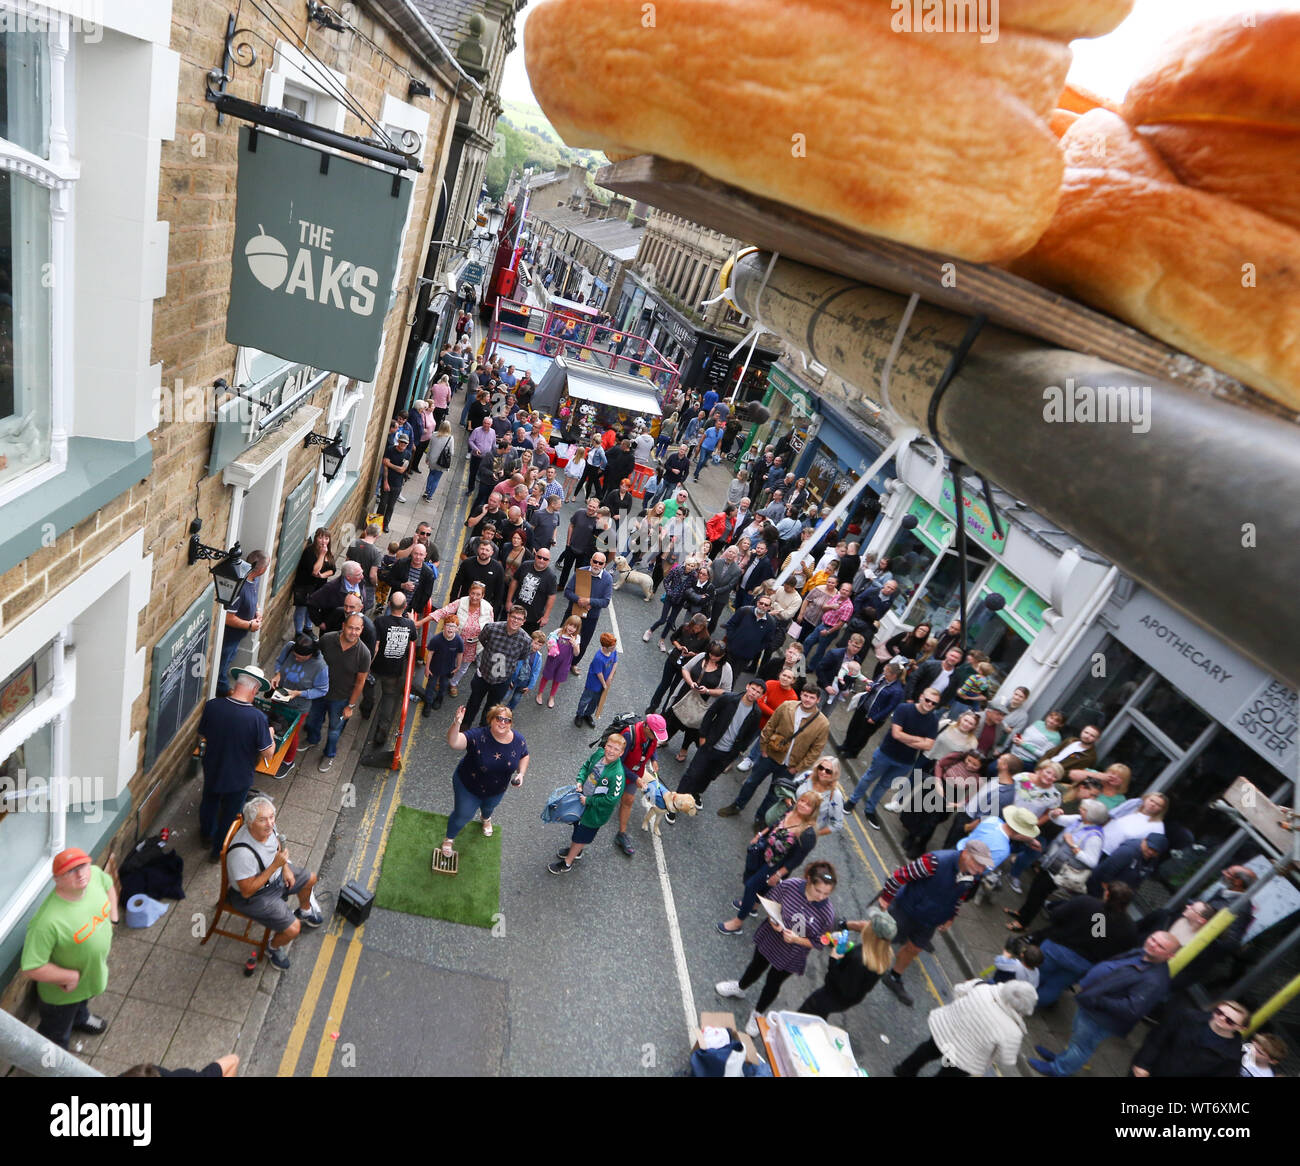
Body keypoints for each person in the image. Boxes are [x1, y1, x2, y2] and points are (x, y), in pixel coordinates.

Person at [1029, 931, 1182, 1076]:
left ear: (1170, 955)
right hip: (1092, 1006)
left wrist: (1097, 999)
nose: (1153, 944)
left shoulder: (1155, 981)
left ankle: (1058, 1070)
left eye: (1160, 946)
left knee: (1082, 1047)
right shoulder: (1142, 953)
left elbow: (1131, 1009)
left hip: (1100, 1018)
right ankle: (1061, 1058)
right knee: (1077, 1038)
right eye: (1153, 939)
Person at [714, 861, 841, 1036]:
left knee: (773, 983)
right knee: (756, 966)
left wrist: (797, 939)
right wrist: (774, 921)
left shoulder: (827, 914)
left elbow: (820, 942)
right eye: (818, 891)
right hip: (771, 939)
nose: (821, 897)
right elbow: (771, 902)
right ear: (809, 880)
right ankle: (740, 987)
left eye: (826, 893)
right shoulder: (791, 886)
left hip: (792, 953)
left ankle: (758, 1013)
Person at [21, 848, 120, 1049]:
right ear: (57, 880)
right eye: (70, 871)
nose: (81, 874)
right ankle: (53, 1063)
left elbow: (109, 885)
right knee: (56, 1035)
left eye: (83, 865)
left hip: (91, 976)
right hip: (62, 995)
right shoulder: (46, 922)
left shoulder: (95, 876)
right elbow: (31, 966)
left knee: (82, 1002)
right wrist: (68, 977)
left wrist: (114, 919)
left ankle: (80, 1018)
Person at [876, 842, 995, 1008]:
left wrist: (951, 917)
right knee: (881, 935)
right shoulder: (935, 861)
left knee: (915, 948)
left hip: (930, 920)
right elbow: (901, 875)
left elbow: (960, 896)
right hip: (907, 909)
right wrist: (886, 897)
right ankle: (848, 928)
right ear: (966, 853)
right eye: (978, 863)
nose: (981, 870)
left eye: (983, 866)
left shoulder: (972, 875)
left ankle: (894, 976)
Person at [223, 795, 322, 971]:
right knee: (293, 929)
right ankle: (273, 947)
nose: (270, 824)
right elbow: (246, 892)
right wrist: (275, 865)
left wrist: (285, 869)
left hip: (276, 878)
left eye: (271, 817)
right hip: (254, 896)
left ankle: (305, 910)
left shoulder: (269, 828)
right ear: (250, 823)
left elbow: (277, 845)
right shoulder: (242, 854)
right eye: (263, 820)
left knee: (310, 878)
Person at [197, 666, 275, 861]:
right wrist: (271, 735)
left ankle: (206, 835)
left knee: (209, 802)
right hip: (239, 775)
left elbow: (202, 733)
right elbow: (268, 753)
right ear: (254, 690)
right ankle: (217, 851)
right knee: (230, 814)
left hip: (213, 767)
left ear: (237, 684)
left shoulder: (213, 705)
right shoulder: (258, 718)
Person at [721, 686, 830, 826]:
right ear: (801, 695)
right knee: (751, 782)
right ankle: (737, 806)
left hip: (789, 766)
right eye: (805, 695)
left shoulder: (822, 723)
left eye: (812, 697)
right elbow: (770, 726)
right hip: (770, 756)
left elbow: (816, 750)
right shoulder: (786, 707)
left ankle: (760, 819)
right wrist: (764, 749)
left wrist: (797, 768)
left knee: (774, 794)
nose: (807, 700)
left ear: (818, 700)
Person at [718, 791, 823, 935]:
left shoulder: (808, 833)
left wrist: (778, 874)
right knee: (752, 878)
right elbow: (775, 824)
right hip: (765, 851)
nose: (802, 805)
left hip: (776, 865)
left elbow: (796, 860)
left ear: (814, 810)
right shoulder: (792, 810)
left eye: (808, 805)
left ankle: (737, 923)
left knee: (750, 886)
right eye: (802, 801)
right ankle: (753, 907)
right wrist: (760, 835)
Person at [893, 979, 1037, 1077]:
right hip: (967, 1057)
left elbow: (958, 990)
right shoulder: (1013, 1031)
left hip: (947, 1030)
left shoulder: (983, 987)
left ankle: (903, 1070)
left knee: (927, 1051)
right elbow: (1006, 1058)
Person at [1005, 798, 1109, 930]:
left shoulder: (1095, 837)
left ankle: (1023, 923)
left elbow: (1092, 862)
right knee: (1034, 890)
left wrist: (1073, 846)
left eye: (1084, 809)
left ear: (1091, 815)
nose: (1080, 810)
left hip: (1061, 871)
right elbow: (1057, 820)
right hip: (1052, 863)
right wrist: (1054, 814)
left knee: (1038, 894)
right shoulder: (1079, 819)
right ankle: (1021, 913)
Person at [844, 687, 942, 828]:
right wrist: (919, 740)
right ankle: (852, 801)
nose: (929, 704)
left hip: (906, 762)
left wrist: (907, 738)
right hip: (886, 753)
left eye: (934, 703)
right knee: (869, 778)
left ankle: (870, 809)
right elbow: (896, 734)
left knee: (884, 785)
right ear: (921, 697)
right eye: (927, 700)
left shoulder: (933, 721)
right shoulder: (904, 709)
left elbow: (928, 746)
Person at [442, 703, 529, 857]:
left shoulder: (518, 740)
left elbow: (524, 755)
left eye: (507, 720)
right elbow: (454, 742)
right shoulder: (477, 736)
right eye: (499, 718)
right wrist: (457, 723)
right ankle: (449, 838)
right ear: (491, 719)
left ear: (511, 723)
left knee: (489, 807)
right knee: (463, 815)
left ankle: (486, 818)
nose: (503, 722)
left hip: (497, 789)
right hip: (468, 786)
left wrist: (521, 773)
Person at [676, 680, 766, 809]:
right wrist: (702, 736)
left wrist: (737, 752)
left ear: (761, 696)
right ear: (747, 686)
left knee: (709, 776)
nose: (754, 693)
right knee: (692, 774)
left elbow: (749, 735)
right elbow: (710, 714)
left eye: (758, 692)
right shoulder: (728, 699)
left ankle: (696, 793)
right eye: (753, 689)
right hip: (710, 744)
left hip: (726, 752)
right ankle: (677, 799)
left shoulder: (756, 713)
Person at [797, 908, 896, 1020]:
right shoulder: (885, 954)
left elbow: (838, 983)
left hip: (830, 996)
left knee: (803, 1015)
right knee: (817, 1017)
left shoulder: (859, 959)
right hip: (844, 1002)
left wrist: (833, 960)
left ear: (871, 933)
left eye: (870, 923)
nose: (866, 923)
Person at [549, 733, 627, 873]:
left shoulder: (618, 774)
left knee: (581, 836)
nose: (611, 751)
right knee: (578, 830)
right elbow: (586, 766)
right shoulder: (598, 754)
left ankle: (567, 863)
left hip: (594, 814)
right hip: (582, 802)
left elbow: (612, 800)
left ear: (621, 753)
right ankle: (576, 851)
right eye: (609, 746)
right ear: (605, 745)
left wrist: (589, 801)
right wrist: (580, 780)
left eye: (616, 749)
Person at [303, 614, 370, 774]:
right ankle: (312, 739)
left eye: (357, 629)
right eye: (350, 627)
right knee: (312, 720)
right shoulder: (327, 639)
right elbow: (312, 658)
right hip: (318, 693)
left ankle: (329, 754)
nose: (353, 632)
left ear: (362, 630)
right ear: (343, 626)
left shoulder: (364, 654)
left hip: (340, 699)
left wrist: (351, 706)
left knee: (334, 730)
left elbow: (360, 682)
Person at [269, 632, 330, 772]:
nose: (296, 659)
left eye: (300, 658)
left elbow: (322, 690)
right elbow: (279, 661)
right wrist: (278, 673)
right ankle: (273, 750)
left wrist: (299, 693)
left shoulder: (321, 667)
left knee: (290, 734)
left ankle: (288, 762)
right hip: (279, 697)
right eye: (295, 656)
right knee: (273, 726)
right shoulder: (290, 647)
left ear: (311, 655)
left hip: (298, 706)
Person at [369, 592, 422, 750]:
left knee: (369, 686)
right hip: (394, 670)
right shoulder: (409, 625)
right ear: (405, 606)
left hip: (377, 666)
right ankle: (382, 732)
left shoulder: (379, 621)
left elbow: (375, 645)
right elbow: (414, 638)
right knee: (389, 698)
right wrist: (412, 621)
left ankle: (366, 708)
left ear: (389, 605)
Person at [463, 606, 533, 726]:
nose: (515, 621)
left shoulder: (526, 640)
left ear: (523, 621)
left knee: (492, 708)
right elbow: (482, 639)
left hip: (502, 681)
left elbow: (521, 656)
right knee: (473, 702)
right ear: (508, 616)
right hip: (483, 675)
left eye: (519, 619)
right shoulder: (491, 628)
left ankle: (482, 730)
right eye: (513, 617)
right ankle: (465, 726)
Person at [612, 713, 671, 856]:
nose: (657, 739)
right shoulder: (628, 735)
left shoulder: (651, 737)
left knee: (629, 801)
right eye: (655, 735)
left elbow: (653, 748)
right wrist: (635, 778)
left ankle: (621, 834)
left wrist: (654, 759)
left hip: (633, 774)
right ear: (646, 727)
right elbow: (617, 761)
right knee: (605, 800)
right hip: (617, 773)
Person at [215, 550, 268, 696]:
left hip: (238, 636)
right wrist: (250, 625)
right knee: (222, 664)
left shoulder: (254, 579)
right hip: (229, 636)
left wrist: (257, 610)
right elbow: (228, 618)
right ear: (262, 569)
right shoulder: (240, 587)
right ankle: (223, 691)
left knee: (230, 658)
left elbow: (254, 596)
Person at [430, 580, 493, 696]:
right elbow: (443, 612)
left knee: (463, 667)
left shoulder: (488, 608)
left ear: (483, 596)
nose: (474, 597)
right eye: (473, 593)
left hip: (473, 646)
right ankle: (440, 680)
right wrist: (421, 622)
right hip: (454, 642)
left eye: (478, 594)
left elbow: (491, 627)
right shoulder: (461, 602)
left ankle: (454, 683)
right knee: (447, 661)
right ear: (469, 592)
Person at [838, 662, 906, 757]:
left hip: (873, 716)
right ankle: (845, 745)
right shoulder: (882, 677)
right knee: (853, 727)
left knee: (862, 735)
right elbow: (874, 683)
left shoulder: (897, 691)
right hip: (864, 707)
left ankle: (853, 752)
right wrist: (870, 686)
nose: (884, 673)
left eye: (886, 672)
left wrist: (875, 718)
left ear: (894, 675)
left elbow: (890, 707)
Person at [564, 551, 614, 663]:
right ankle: (559, 659)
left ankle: (573, 664)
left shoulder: (608, 579)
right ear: (591, 561)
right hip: (573, 613)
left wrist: (589, 601)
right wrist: (578, 600)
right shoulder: (581, 571)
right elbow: (567, 591)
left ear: (605, 565)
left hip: (591, 617)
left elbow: (606, 602)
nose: (597, 565)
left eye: (600, 563)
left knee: (583, 642)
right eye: (595, 561)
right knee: (564, 636)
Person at [1087, 832, 1169, 897]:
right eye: (1150, 847)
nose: (1151, 852)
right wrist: (1107, 894)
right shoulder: (1128, 851)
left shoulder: (1153, 860)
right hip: (1098, 889)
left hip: (1116, 894)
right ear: (1144, 840)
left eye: (1155, 851)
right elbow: (1106, 872)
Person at [291, 527, 335, 634]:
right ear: (316, 538)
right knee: (301, 610)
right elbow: (315, 571)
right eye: (320, 537)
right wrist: (322, 555)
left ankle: (308, 629)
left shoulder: (328, 553)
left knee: (312, 609)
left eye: (326, 538)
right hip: (305, 586)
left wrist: (323, 576)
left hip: (318, 587)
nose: (323, 541)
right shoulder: (309, 551)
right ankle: (298, 633)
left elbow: (333, 569)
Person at [574, 631, 619, 728]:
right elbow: (599, 673)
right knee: (585, 700)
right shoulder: (599, 658)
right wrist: (604, 684)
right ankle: (579, 715)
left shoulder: (613, 651)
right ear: (605, 647)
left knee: (595, 701)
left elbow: (615, 662)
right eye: (612, 647)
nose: (614, 648)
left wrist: (610, 677)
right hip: (593, 683)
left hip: (605, 682)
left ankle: (587, 714)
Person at [421, 615, 464, 713]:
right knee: (431, 685)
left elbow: (460, 654)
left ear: (457, 629)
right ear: (444, 626)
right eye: (448, 625)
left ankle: (439, 699)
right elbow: (430, 653)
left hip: (448, 669)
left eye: (453, 626)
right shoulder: (436, 639)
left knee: (444, 685)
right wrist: (427, 668)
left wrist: (458, 666)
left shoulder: (459, 641)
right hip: (434, 668)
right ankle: (428, 702)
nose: (450, 628)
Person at [538, 615, 583, 707]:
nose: (571, 628)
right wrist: (549, 646)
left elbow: (576, 653)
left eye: (574, 627)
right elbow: (550, 644)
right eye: (570, 625)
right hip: (553, 659)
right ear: (566, 624)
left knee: (557, 679)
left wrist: (574, 645)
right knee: (546, 676)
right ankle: (540, 693)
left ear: (577, 629)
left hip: (565, 663)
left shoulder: (576, 638)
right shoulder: (558, 632)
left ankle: (551, 697)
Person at [506, 631, 549, 710]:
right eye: (535, 643)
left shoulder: (538, 657)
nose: (537, 647)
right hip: (513, 678)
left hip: (524, 682)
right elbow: (511, 663)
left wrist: (530, 686)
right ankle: (496, 710)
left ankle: (509, 710)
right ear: (530, 640)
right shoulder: (521, 649)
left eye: (540, 645)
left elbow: (536, 673)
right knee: (504, 695)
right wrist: (508, 678)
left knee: (516, 698)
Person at [378, 431, 410, 533]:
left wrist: (390, 464)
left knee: (391, 506)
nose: (403, 445)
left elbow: (402, 470)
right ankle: (377, 523)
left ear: (407, 444)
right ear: (398, 441)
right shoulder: (390, 450)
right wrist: (385, 482)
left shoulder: (407, 454)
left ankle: (386, 524)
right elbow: (385, 465)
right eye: (401, 442)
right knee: (383, 504)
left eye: (405, 443)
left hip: (397, 484)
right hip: (387, 481)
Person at [421, 420, 455, 501]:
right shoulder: (450, 438)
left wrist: (427, 458)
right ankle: (430, 496)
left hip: (432, 460)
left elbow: (429, 447)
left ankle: (427, 491)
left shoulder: (434, 434)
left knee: (431, 475)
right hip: (441, 462)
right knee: (436, 479)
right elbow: (452, 452)